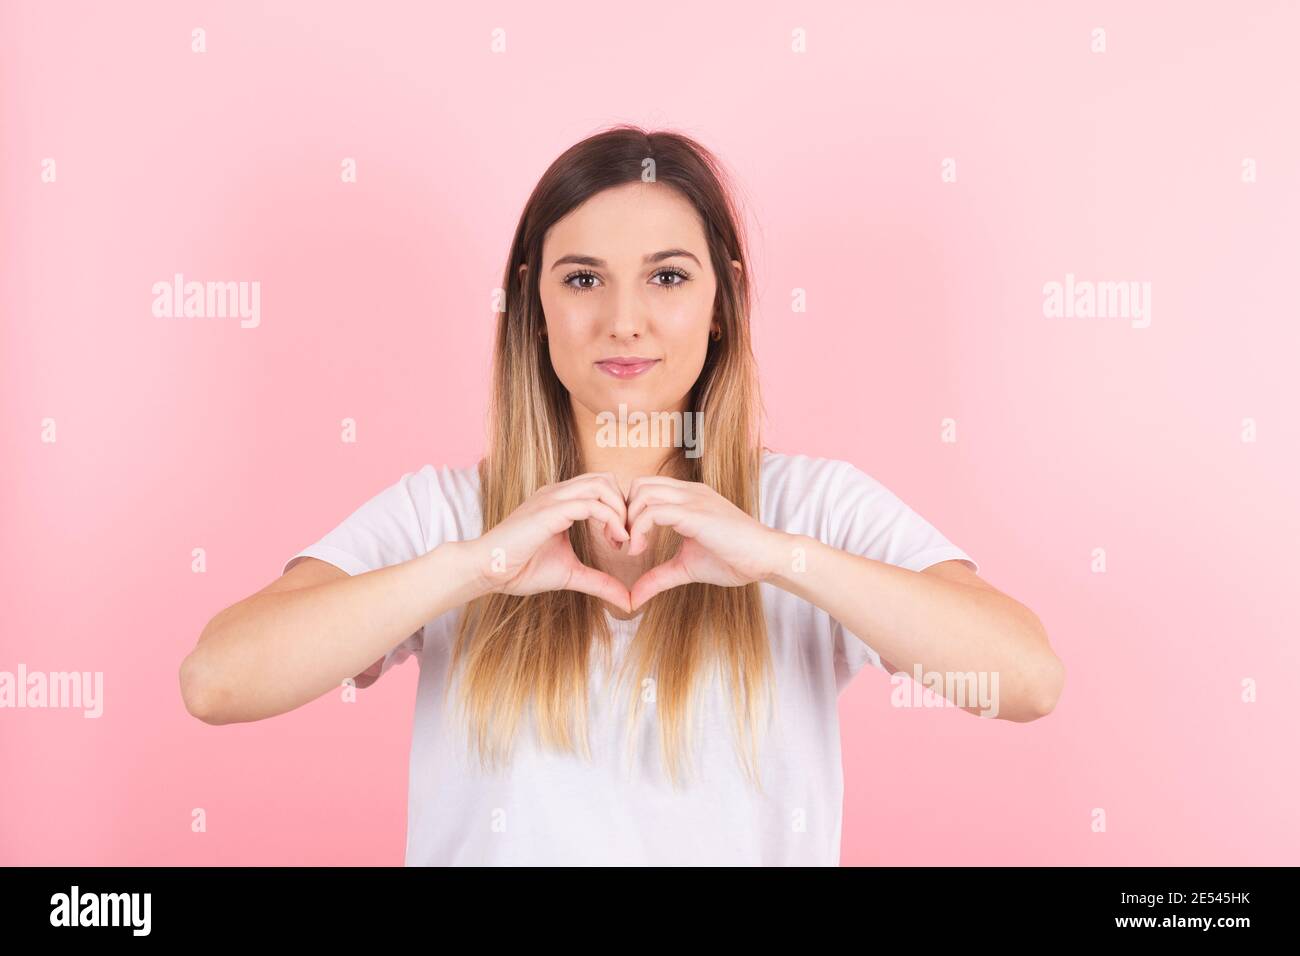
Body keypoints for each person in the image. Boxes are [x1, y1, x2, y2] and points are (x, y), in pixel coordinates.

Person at [180, 125, 1065, 866]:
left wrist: (779, 558)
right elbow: (216, 681)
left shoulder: (812, 508)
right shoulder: (444, 515)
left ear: (724, 301)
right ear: (533, 306)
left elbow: (1024, 679)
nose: (625, 319)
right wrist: (477, 565)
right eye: (583, 278)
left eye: (669, 277)